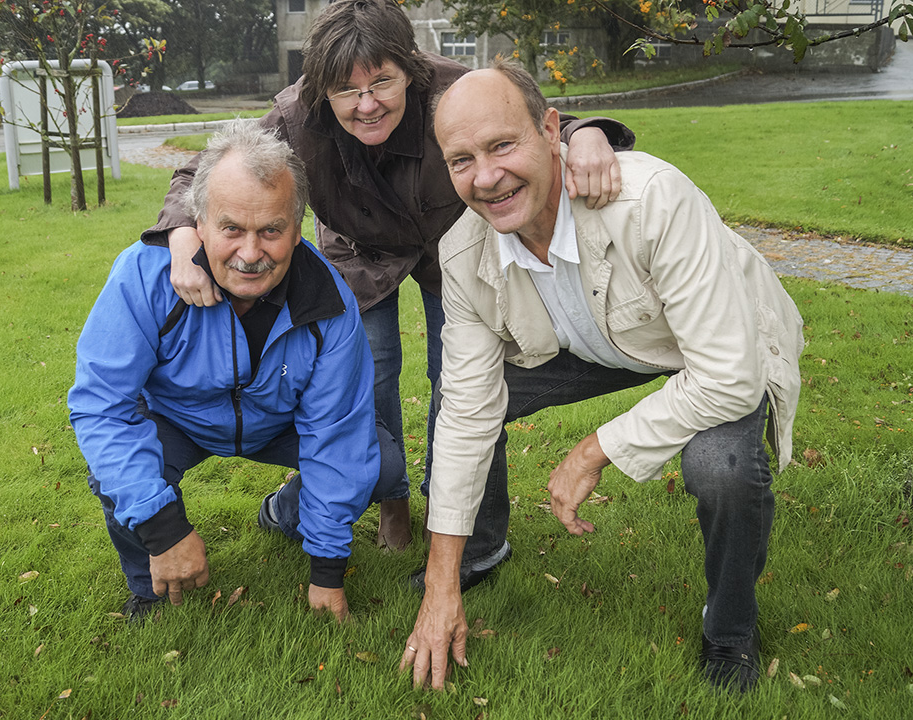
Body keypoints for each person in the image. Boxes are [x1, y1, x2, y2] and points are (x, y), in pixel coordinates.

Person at [140, 0, 638, 550]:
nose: (367, 104)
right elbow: (203, 171)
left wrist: (587, 133)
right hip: (358, 254)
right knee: (366, 380)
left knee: (459, 382)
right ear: (322, 87)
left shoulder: (454, 88)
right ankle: (391, 506)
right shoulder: (294, 116)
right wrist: (183, 231)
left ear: (411, 69)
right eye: (347, 91)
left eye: (382, 82)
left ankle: (465, 528)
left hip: (452, 248)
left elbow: (537, 128)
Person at [399, 60, 804, 693]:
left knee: (719, 465)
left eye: (503, 145)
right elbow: (466, 414)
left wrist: (595, 450)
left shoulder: (653, 201)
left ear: (551, 130)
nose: (486, 177)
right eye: (461, 160)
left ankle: (730, 627)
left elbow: (727, 376)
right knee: (465, 401)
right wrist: (440, 584)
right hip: (594, 345)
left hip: (712, 348)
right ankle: (478, 552)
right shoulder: (462, 255)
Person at [69, 122, 405, 624]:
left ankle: (284, 513)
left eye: (271, 230)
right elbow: (102, 407)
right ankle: (151, 588)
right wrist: (164, 529)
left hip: (279, 425)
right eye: (232, 230)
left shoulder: (331, 302)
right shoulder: (144, 275)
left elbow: (336, 438)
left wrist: (327, 573)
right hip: (179, 422)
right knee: (114, 467)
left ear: (297, 228)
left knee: (382, 463)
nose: (251, 254)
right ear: (197, 222)